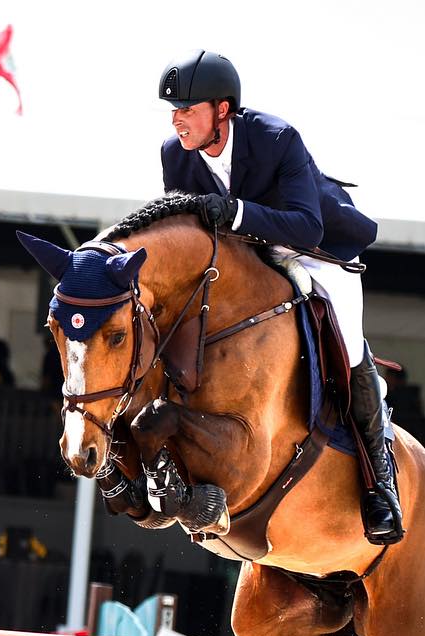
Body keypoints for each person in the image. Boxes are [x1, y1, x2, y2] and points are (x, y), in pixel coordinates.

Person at [155, 50, 398, 545]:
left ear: (222, 110)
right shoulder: (174, 152)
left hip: (313, 250)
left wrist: (236, 212)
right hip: (241, 258)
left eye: (189, 108)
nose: (178, 119)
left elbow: (306, 224)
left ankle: (381, 479)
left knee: (348, 346)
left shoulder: (275, 139)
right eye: (173, 110)